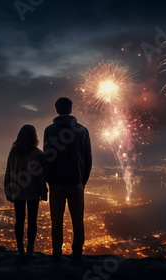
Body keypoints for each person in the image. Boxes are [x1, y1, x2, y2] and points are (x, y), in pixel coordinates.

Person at [44, 97, 92, 261]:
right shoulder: (83, 131)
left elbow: (47, 158)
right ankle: (77, 253)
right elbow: (88, 159)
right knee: (78, 221)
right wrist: (82, 181)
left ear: (57, 109)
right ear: (71, 109)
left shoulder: (49, 130)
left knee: (56, 221)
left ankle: (57, 253)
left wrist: (50, 180)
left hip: (57, 184)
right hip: (76, 183)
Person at [4, 124, 48, 259]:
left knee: (19, 220)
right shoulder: (38, 154)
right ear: (34, 137)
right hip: (33, 192)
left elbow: (8, 174)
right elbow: (41, 176)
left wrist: (8, 192)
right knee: (32, 221)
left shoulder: (13, 153)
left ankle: (20, 249)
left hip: (17, 192)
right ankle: (30, 249)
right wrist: (43, 192)